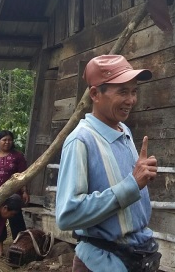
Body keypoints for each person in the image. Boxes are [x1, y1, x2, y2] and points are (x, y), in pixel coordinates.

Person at [56, 54, 160, 272]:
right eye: (122, 91)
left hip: (137, 255)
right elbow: (67, 215)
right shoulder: (80, 141)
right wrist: (132, 185)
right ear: (95, 94)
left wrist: (140, 177)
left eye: (134, 92)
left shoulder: (125, 131)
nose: (131, 100)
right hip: (101, 262)